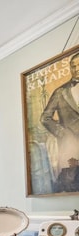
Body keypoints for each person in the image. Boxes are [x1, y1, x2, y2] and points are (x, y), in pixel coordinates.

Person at [40, 52, 79, 183]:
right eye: (73, 66)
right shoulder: (60, 92)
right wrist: (63, 133)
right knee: (70, 184)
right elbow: (45, 118)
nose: (77, 69)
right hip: (70, 147)